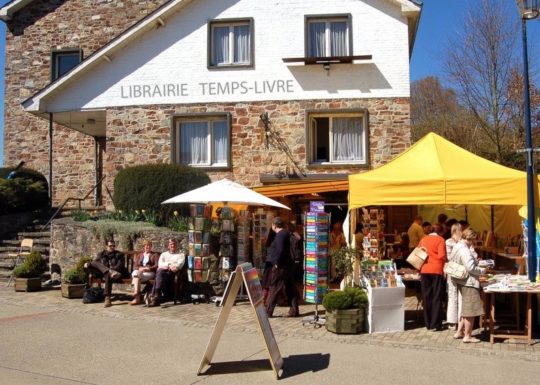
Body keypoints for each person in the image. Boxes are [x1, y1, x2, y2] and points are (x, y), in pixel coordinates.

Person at [453, 228, 486, 343]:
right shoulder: (464, 250)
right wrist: (482, 271)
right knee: (470, 310)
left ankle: (459, 332)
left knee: (466, 308)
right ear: (470, 239)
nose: (473, 243)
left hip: (461, 280)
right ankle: (467, 336)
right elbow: (470, 268)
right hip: (469, 281)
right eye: (473, 240)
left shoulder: (457, 246)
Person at [265, 217, 299, 318]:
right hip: (288, 265)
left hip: (281, 266)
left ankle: (268, 311)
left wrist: (276, 263)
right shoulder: (287, 233)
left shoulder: (280, 235)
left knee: (274, 287)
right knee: (290, 288)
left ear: (274, 226)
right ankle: (294, 310)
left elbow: (279, 250)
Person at [418, 222, 447, 331]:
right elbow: (442, 256)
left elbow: (418, 253)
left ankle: (428, 323)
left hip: (424, 269)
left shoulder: (423, 239)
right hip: (436, 270)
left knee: (426, 296)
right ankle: (436, 323)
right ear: (439, 231)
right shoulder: (440, 240)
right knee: (436, 297)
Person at [85, 239, 127, 308]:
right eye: (110, 246)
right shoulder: (101, 254)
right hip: (104, 273)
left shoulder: (119, 254)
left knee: (108, 275)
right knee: (93, 263)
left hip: (116, 273)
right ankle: (108, 271)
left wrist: (112, 271)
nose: (112, 247)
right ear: (106, 246)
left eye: (113, 246)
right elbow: (96, 263)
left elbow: (120, 266)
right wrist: (88, 264)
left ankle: (107, 298)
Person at [149, 239, 185, 307]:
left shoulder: (180, 255)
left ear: (177, 246)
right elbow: (160, 264)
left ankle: (155, 295)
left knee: (159, 273)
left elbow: (179, 265)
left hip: (173, 274)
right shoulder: (164, 254)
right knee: (160, 271)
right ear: (168, 246)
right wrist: (169, 265)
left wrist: (170, 266)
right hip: (164, 273)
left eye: (174, 244)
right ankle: (157, 296)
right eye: (171, 244)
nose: (173, 245)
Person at [129, 239, 159, 305]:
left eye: (149, 245)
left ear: (151, 246)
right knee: (136, 274)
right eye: (146, 245)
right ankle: (137, 293)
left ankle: (137, 297)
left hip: (150, 273)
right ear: (144, 247)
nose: (147, 247)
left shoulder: (155, 255)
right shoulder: (140, 255)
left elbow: (157, 265)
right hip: (140, 273)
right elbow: (135, 266)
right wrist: (140, 268)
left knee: (135, 275)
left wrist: (147, 268)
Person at [445, 223, 463, 328]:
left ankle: (452, 322)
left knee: (452, 296)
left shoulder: (448, 242)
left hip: (451, 271)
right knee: (461, 296)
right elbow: (473, 255)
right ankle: (460, 321)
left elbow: (449, 257)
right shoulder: (463, 243)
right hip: (462, 271)